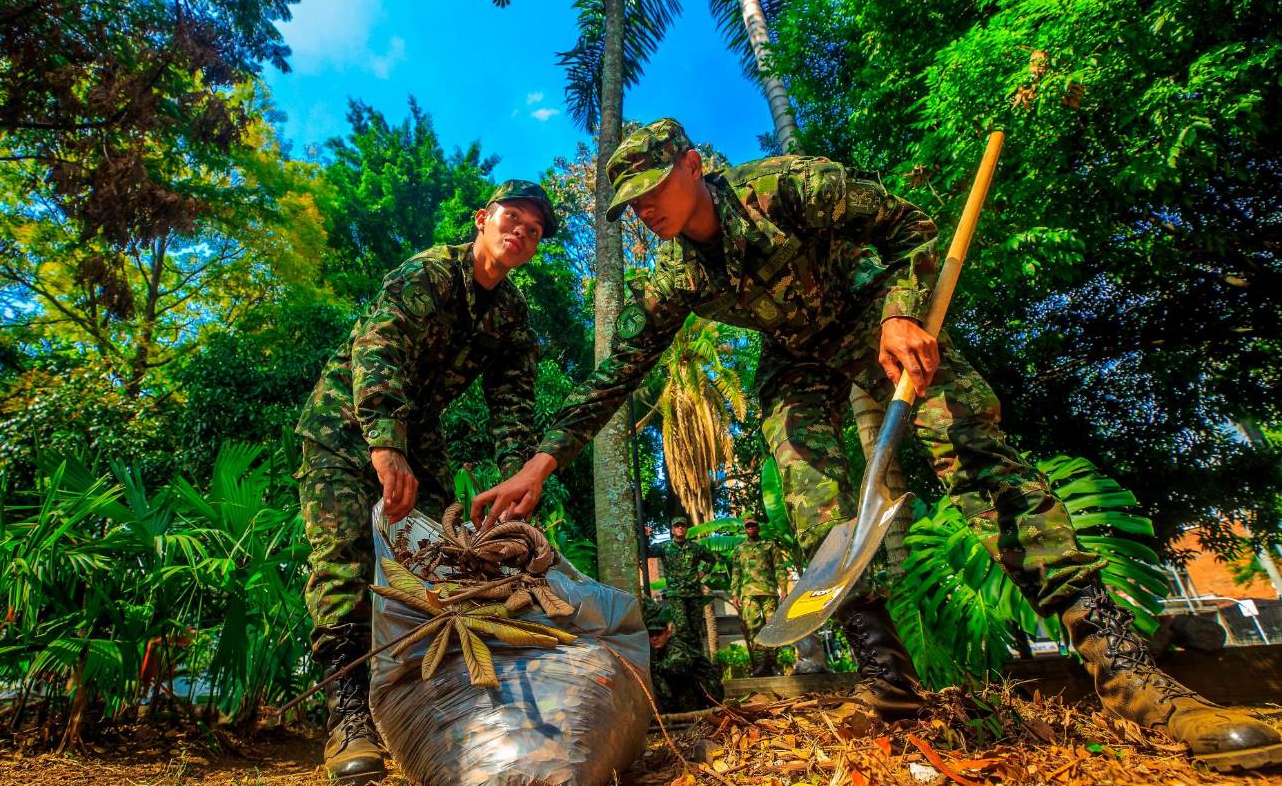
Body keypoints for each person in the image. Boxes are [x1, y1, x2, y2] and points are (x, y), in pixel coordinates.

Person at [469, 119, 1282, 771]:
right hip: (797, 358)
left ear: (690, 166)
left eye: (650, 190)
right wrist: (541, 464)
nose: (643, 211)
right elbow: (613, 379)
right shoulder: (679, 277)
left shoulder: (784, 187)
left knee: (972, 452)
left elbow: (911, 228)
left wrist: (901, 311)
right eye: (628, 207)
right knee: (817, 498)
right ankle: (889, 682)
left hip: (876, 318)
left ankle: (1131, 677)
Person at [295, 180, 557, 781]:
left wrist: (519, 480)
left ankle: (430, 703)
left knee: (444, 556)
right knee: (347, 559)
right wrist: (385, 445)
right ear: (481, 219)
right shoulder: (429, 274)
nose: (520, 231)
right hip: (343, 423)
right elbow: (377, 347)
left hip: (416, 434)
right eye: (511, 218)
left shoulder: (512, 317)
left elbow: (513, 402)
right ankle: (347, 718)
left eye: (533, 229)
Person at [730, 514, 790, 677]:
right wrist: (734, 593)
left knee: (772, 627)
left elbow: (779, 568)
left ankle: (773, 663)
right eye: (748, 526)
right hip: (748, 595)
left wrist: (783, 588)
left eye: (753, 525)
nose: (751, 528)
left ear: (758, 527)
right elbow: (736, 573)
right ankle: (761, 664)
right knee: (753, 628)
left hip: (769, 592)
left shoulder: (769, 545)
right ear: (745, 528)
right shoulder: (739, 549)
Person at [647, 516, 716, 654]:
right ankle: (686, 657)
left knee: (695, 628)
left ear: (686, 529)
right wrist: (646, 536)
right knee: (682, 628)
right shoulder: (665, 547)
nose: (680, 528)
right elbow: (648, 552)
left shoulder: (695, 548)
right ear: (672, 530)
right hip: (676, 594)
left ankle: (697, 659)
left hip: (694, 594)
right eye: (677, 526)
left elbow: (711, 559)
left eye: (683, 526)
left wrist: (702, 573)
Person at [646, 601, 723, 714]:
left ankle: (685, 714)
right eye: (651, 635)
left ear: (667, 633)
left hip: (709, 693)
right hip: (696, 693)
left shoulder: (676, 646)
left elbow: (679, 666)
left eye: (658, 633)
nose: (655, 638)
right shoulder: (658, 651)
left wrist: (654, 667)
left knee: (670, 675)